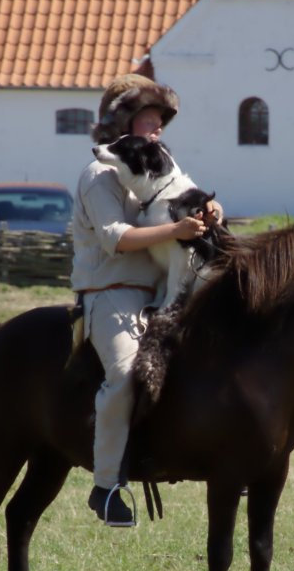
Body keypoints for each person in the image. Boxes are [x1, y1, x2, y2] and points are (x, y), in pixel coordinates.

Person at [71, 74, 218, 526]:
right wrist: (175, 230)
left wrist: (212, 211)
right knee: (123, 373)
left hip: (162, 291)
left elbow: (190, 198)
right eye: (148, 123)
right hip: (110, 294)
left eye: (160, 123)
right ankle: (108, 484)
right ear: (124, 124)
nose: (156, 132)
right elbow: (115, 238)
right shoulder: (100, 175)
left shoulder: (163, 164)